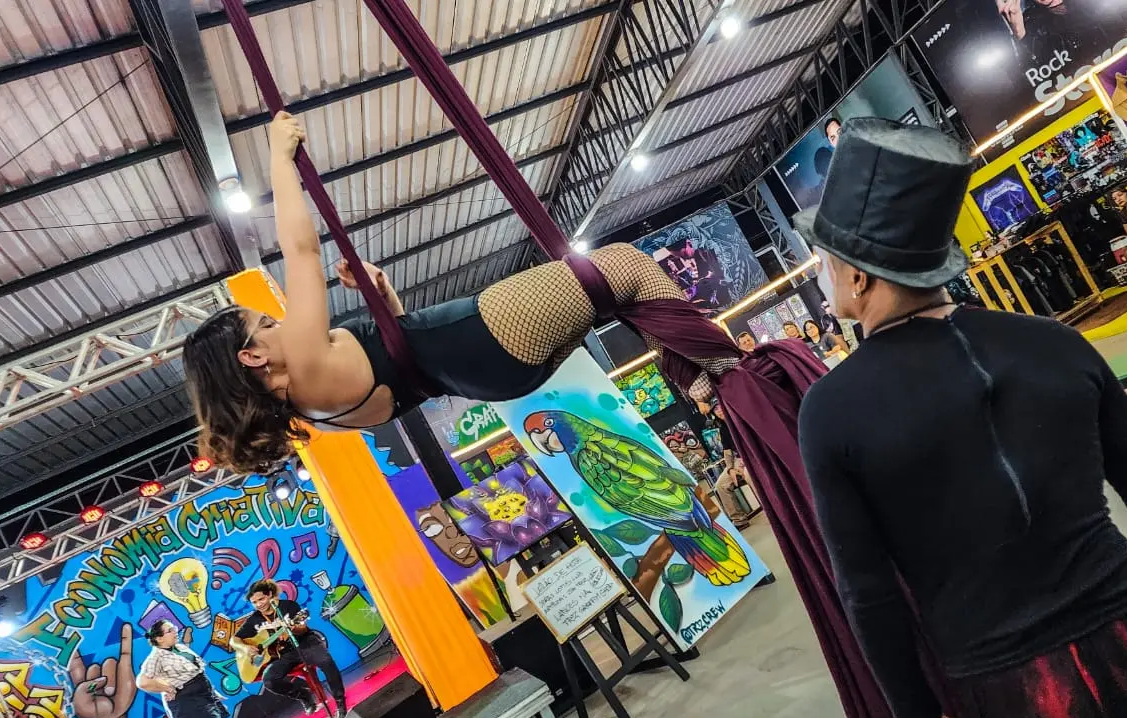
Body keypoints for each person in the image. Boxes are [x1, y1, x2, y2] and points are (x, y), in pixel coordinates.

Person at [796, 118, 1127, 718]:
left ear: (857, 274)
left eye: (822, 258)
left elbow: (869, 598)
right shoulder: (1055, 343)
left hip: (1008, 689)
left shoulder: (831, 410)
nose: (819, 274)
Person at [183, 112, 745, 474]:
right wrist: (279, 158)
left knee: (620, 294)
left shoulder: (319, 414)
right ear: (251, 357)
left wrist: (384, 297)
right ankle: (735, 381)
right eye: (267, 324)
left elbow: (409, 365)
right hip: (486, 333)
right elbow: (302, 252)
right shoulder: (304, 364)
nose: (282, 323)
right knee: (623, 265)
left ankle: (710, 386)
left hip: (491, 374)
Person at [230, 579, 347, 718]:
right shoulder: (254, 619)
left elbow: (302, 629)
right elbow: (233, 640)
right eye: (254, 602)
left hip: (306, 643)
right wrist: (244, 648)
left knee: (326, 662)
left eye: (261, 599)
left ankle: (340, 702)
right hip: (285, 653)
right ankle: (304, 695)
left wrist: (293, 628)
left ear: (270, 594)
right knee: (269, 680)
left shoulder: (288, 606)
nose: (259, 604)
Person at [137, 620, 228, 718]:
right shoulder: (156, 657)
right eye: (170, 630)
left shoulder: (180, 647)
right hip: (189, 701)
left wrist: (212, 691)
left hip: (206, 695)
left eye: (174, 628)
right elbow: (142, 682)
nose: (175, 632)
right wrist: (168, 688)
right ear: (159, 639)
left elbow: (196, 671)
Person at [700, 397, 752, 528]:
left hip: (752, 457)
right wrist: (730, 469)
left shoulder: (740, 419)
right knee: (720, 486)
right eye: (715, 409)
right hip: (737, 460)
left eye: (720, 407)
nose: (719, 411)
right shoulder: (723, 429)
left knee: (750, 478)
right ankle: (739, 519)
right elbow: (727, 452)